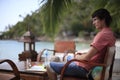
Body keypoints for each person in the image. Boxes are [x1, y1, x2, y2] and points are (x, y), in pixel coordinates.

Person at [46, 8, 116, 80]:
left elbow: (87, 57)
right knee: (68, 59)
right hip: (92, 65)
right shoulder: (110, 34)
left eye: (95, 19)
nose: (93, 23)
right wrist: (78, 54)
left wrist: (76, 57)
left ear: (103, 19)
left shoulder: (102, 35)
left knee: (49, 66)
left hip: (86, 68)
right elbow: (95, 53)